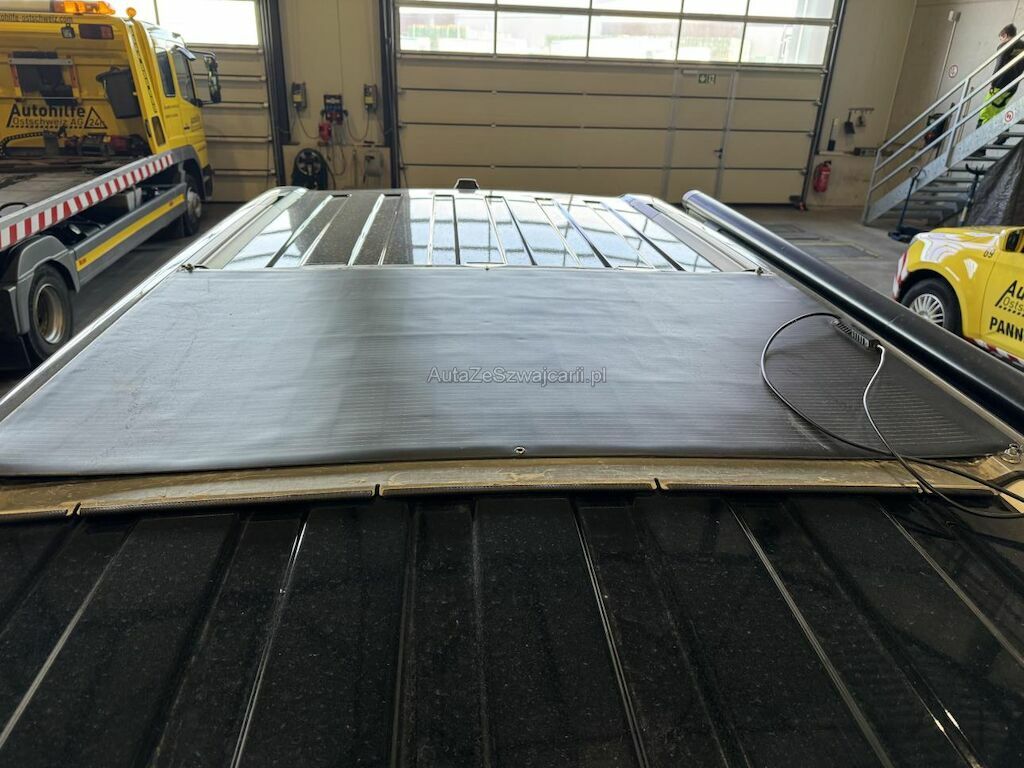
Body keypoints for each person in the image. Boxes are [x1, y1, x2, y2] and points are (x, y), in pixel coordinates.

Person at [978, 24, 1024, 127]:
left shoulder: (1004, 46)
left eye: (1001, 39)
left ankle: (980, 131)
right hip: (1013, 86)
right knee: (999, 109)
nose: (1001, 41)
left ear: (1005, 35)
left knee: (986, 111)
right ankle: (1001, 131)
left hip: (1000, 84)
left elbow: (999, 64)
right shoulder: (1023, 46)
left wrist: (993, 83)